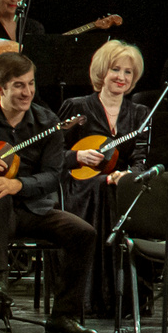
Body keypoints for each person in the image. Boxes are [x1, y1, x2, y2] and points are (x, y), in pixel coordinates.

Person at [0, 51, 99, 333]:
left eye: (30, 84)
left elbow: (54, 175)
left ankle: (63, 316)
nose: (27, 92)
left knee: (84, 233)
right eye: (18, 85)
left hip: (35, 210)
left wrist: (18, 184)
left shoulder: (47, 122)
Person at [59, 39, 150, 315]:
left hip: (121, 184)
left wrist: (128, 175)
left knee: (118, 190)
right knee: (101, 188)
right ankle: (91, 299)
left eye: (128, 72)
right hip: (81, 185)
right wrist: (78, 157)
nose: (121, 77)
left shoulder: (140, 113)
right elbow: (52, 154)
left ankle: (126, 299)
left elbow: (142, 158)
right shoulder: (76, 107)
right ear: (102, 72)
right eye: (115, 70)